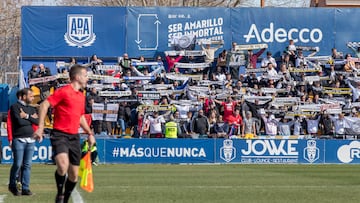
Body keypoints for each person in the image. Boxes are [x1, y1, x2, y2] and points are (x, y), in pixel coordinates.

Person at [33, 64, 95, 203]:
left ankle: (65, 199)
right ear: (77, 77)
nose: (87, 79)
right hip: (59, 134)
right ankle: (59, 193)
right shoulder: (64, 91)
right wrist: (41, 127)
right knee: (62, 165)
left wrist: (90, 133)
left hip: (74, 137)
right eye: (85, 76)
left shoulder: (81, 96)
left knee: (73, 175)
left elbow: (80, 117)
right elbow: (44, 105)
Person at [8, 88, 39, 196]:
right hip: (19, 139)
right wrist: (30, 119)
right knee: (17, 164)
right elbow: (19, 122)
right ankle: (12, 185)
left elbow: (37, 121)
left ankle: (25, 188)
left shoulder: (31, 108)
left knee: (27, 165)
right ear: (23, 96)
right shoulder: (15, 107)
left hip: (31, 139)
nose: (33, 98)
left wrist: (26, 116)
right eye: (31, 96)